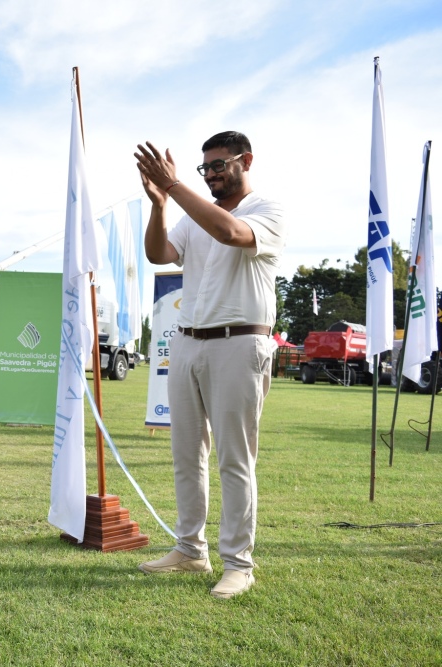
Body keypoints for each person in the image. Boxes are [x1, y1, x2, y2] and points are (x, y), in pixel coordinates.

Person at [135, 131, 286, 599]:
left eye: (219, 165)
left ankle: (239, 563)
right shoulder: (191, 214)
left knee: (234, 459)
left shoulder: (266, 211)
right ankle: (189, 549)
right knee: (186, 454)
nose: (213, 174)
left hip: (240, 344)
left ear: (247, 160)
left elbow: (230, 232)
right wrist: (160, 204)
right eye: (206, 168)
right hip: (187, 342)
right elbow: (159, 254)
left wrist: (177, 188)